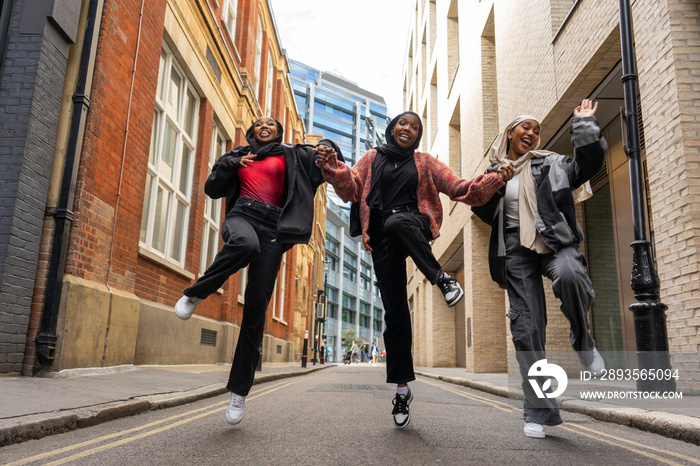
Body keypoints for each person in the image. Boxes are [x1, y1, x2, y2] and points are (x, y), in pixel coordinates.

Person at [317, 111, 513, 428]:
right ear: (392, 128)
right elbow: (351, 189)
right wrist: (331, 165)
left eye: (415, 126)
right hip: (381, 239)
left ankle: (442, 279)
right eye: (402, 123)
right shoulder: (371, 158)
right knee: (395, 314)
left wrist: (495, 178)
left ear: (418, 135)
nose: (407, 128)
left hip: (413, 224)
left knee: (397, 221)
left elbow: (462, 189)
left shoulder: (425, 162)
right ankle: (402, 390)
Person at [173, 116, 340, 426]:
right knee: (245, 246)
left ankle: (239, 392)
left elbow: (327, 156)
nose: (265, 125)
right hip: (243, 215)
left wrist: (327, 150)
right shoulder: (238, 155)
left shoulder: (292, 153)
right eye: (259, 123)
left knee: (255, 311)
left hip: (275, 228)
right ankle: (196, 294)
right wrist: (233, 164)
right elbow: (212, 188)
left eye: (271, 123)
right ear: (251, 133)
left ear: (278, 132)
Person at [472, 99, 607, 439]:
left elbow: (586, 166)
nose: (531, 133)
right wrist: (494, 182)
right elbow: (479, 207)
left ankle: (582, 340)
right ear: (510, 134)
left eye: (536, 130)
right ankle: (537, 409)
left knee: (572, 274)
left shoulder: (553, 164)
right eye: (525, 128)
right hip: (516, 250)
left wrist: (585, 126)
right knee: (527, 328)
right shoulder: (495, 171)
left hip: (553, 242)